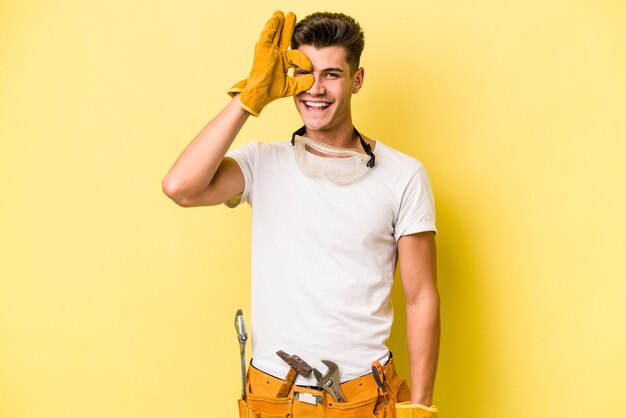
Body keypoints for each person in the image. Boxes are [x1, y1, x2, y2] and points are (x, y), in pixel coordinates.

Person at [163, 11, 440, 418]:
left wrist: (421, 405)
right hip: (273, 397)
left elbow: (420, 298)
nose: (316, 88)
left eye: (332, 74)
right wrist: (249, 98)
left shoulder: (403, 175)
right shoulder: (263, 162)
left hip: (364, 398)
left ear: (357, 80)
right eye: (304, 73)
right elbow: (180, 188)